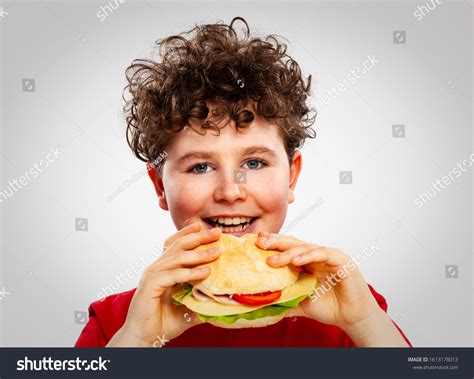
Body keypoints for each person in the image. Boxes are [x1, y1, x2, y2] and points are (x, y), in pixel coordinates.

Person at [75, 17, 411, 347]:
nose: (231, 191)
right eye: (200, 167)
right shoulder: (117, 324)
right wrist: (137, 339)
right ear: (160, 186)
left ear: (291, 176)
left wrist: (365, 325)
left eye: (254, 163)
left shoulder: (347, 307)